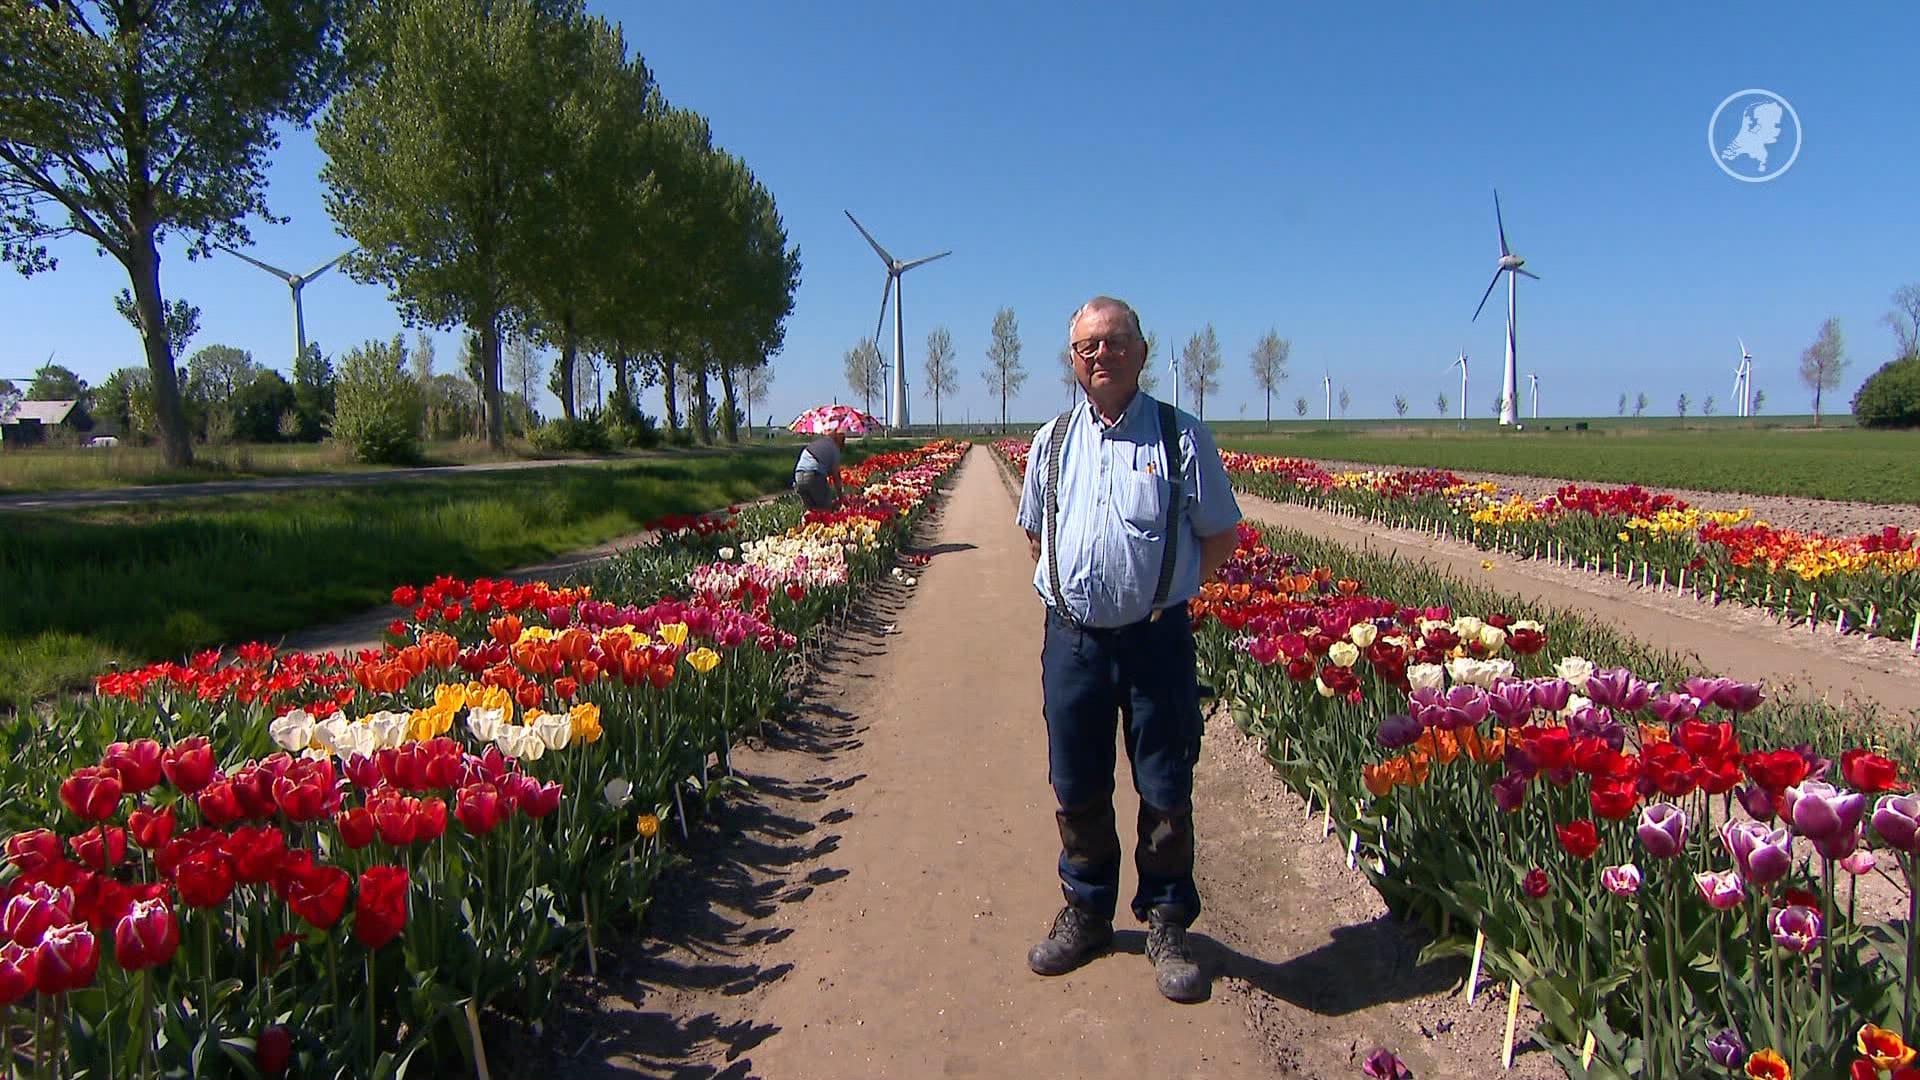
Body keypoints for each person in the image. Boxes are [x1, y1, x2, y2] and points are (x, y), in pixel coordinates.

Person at [1014, 296, 1243, 1004]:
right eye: (1088, 347)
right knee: (1076, 781)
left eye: (1115, 343)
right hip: (1073, 642)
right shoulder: (1050, 441)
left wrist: (1161, 596)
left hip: (1155, 643)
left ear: (1143, 353)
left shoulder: (1181, 437)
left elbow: (1220, 536)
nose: (1101, 356)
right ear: (1072, 361)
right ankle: (1086, 912)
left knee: (1166, 785)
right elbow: (1037, 533)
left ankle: (1167, 921)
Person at [793, 427, 847, 510]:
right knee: (825, 509)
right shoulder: (834, 448)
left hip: (798, 476)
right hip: (814, 475)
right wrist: (841, 497)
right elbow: (836, 475)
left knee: (812, 511)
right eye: (842, 438)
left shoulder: (818, 443)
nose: (843, 441)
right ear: (836, 437)